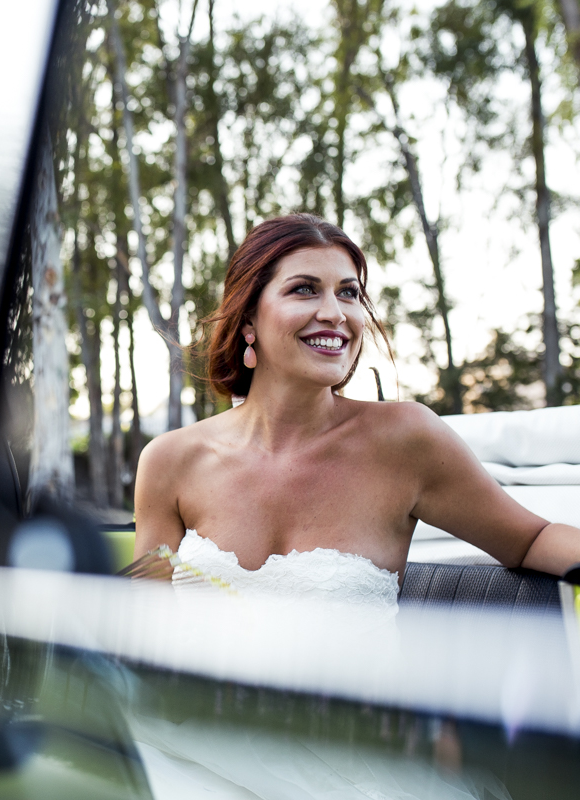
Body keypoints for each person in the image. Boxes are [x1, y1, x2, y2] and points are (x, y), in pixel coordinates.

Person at [134, 213, 580, 608]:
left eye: (348, 293)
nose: (335, 313)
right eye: (305, 289)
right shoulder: (170, 461)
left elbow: (531, 540)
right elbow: (138, 625)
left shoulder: (406, 440)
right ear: (249, 317)